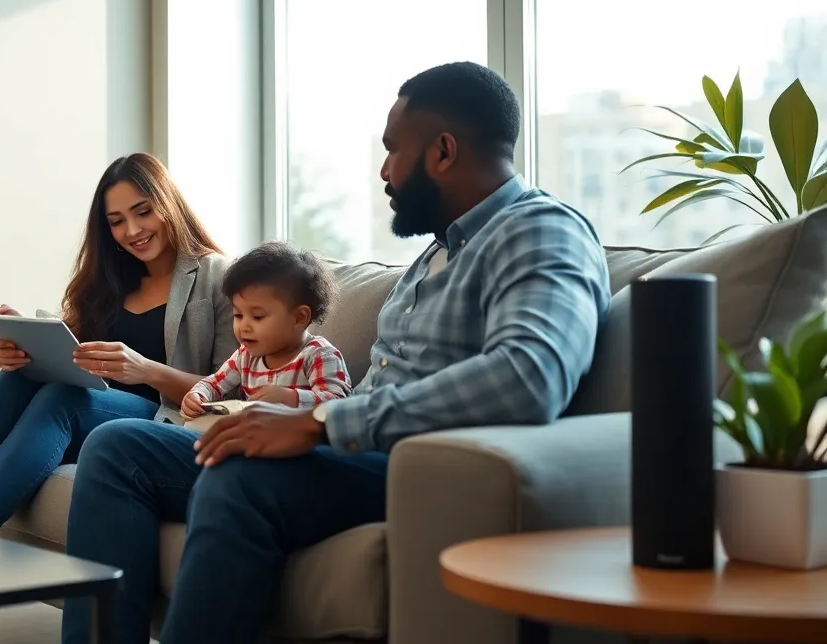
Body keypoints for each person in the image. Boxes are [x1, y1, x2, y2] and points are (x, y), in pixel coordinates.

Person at [59, 62, 612, 644]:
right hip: (354, 451)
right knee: (117, 446)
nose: (384, 170)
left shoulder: (540, 230)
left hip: (417, 463)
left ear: (444, 151)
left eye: (393, 149)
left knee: (241, 477)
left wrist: (319, 422)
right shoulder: (436, 254)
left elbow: (530, 376)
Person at [0, 152, 237, 535]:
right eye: (116, 222)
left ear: (168, 203)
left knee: (66, 399)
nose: (132, 230)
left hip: (161, 422)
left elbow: (232, 393)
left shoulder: (219, 276)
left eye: (143, 212)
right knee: (23, 377)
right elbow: (74, 349)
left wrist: (145, 370)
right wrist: (26, 344)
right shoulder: (112, 279)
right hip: (93, 412)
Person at [180, 241, 351, 423]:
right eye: (238, 315)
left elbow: (339, 406)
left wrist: (292, 398)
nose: (243, 326)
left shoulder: (319, 355)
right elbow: (214, 383)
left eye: (258, 317)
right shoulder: (245, 357)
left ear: (299, 317)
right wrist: (198, 395)